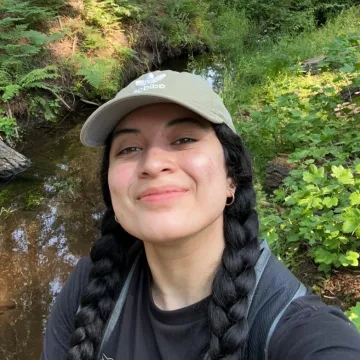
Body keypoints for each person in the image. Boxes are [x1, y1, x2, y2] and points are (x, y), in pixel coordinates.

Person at [41, 70, 360, 360]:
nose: (153, 164)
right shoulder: (88, 287)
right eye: (129, 148)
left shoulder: (296, 328)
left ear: (231, 177)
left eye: (184, 140)